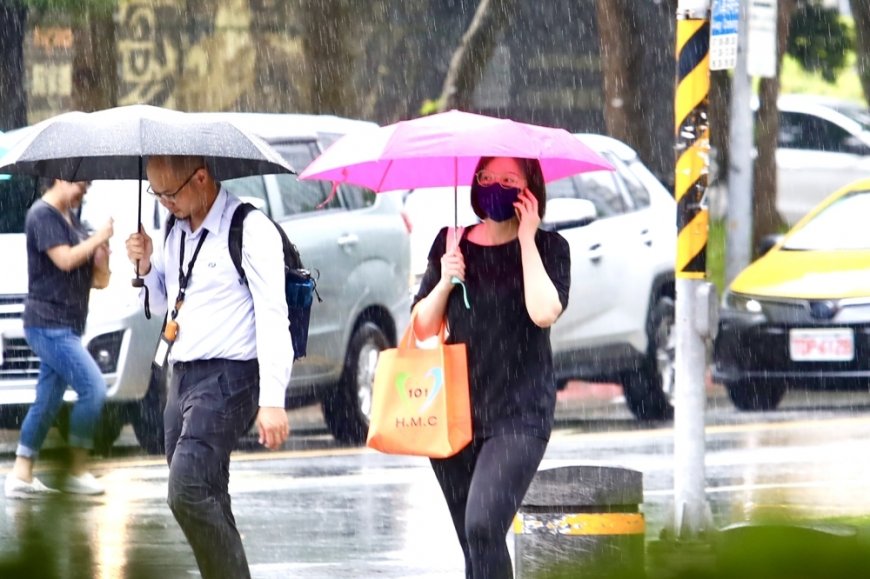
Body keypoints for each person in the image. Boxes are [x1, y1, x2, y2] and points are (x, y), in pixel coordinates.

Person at [124, 156, 292, 579]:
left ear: (201, 178)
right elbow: (164, 303)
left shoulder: (249, 229)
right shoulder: (172, 229)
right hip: (181, 378)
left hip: (230, 378)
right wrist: (145, 265)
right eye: (156, 194)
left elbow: (274, 315)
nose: (164, 204)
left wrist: (273, 400)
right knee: (207, 493)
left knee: (187, 489)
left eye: (170, 193)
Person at [412, 156, 571, 579]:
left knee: (483, 526)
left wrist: (526, 241)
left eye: (508, 179)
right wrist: (446, 279)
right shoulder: (450, 242)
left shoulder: (551, 248)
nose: (494, 186)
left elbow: (543, 312)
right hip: (455, 414)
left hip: (520, 413)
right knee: (475, 543)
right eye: (486, 177)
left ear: (530, 188)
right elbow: (424, 326)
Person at [4, 179, 114, 499]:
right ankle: (77, 469)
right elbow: (65, 259)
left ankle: (21, 473)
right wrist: (97, 239)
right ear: (61, 178)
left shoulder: (75, 220)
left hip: (69, 324)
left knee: (47, 400)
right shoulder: (42, 216)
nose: (85, 191)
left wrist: (102, 257)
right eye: (82, 184)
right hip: (47, 324)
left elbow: (100, 281)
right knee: (93, 387)